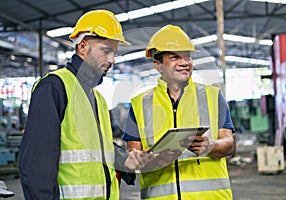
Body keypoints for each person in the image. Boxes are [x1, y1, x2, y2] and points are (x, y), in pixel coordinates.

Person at [18, 10, 152, 200]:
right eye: (106, 51)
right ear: (82, 47)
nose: (112, 60)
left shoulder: (97, 97)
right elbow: (36, 164)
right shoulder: (54, 87)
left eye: (114, 53)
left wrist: (126, 160)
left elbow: (99, 148)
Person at [123, 25, 236, 199]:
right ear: (158, 65)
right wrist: (147, 159)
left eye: (188, 57)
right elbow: (133, 154)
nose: (184, 62)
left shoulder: (212, 96)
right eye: (175, 57)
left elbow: (229, 142)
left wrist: (211, 146)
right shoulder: (139, 104)